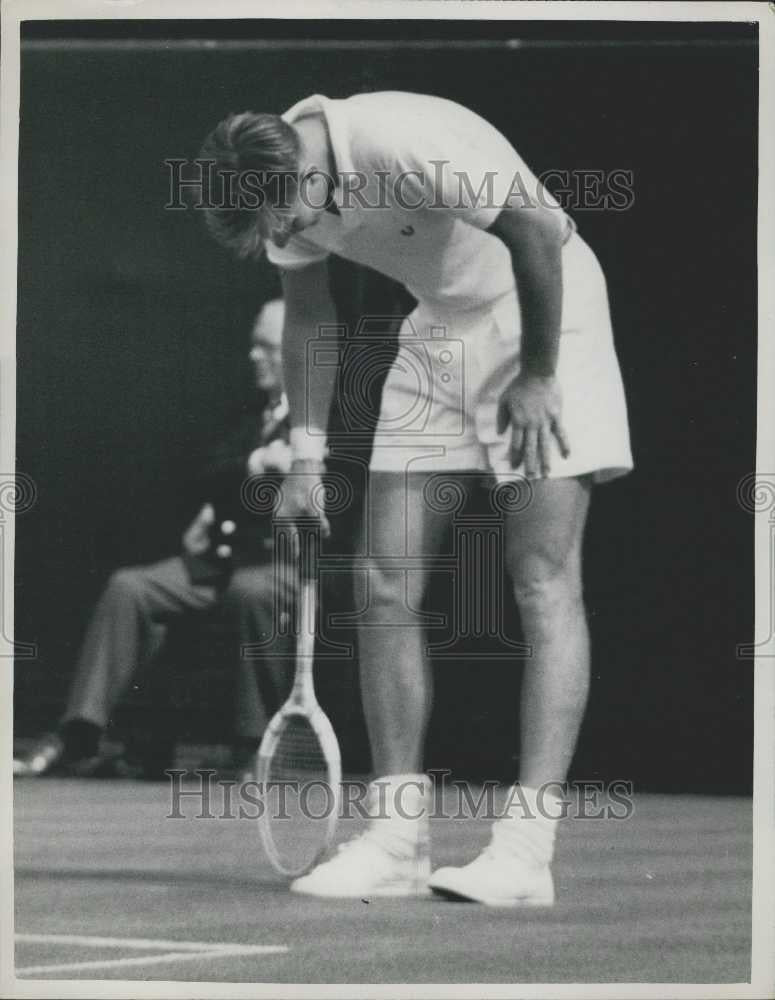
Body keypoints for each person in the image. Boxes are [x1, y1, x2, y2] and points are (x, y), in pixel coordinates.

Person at [199, 92, 633, 905]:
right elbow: (307, 316)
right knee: (382, 579)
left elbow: (536, 232)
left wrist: (538, 375)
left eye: (282, 215)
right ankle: (398, 837)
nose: (285, 235)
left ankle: (525, 851)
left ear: (298, 164)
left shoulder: (405, 142)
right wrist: (305, 457)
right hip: (438, 331)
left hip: (544, 314)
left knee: (540, 578)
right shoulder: (281, 189)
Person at [14, 300, 294, 780]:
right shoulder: (251, 415)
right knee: (131, 588)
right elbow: (209, 472)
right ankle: (79, 732)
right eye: (253, 344)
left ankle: (256, 749)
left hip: (292, 564)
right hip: (226, 558)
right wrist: (247, 473)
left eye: (267, 347)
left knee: (254, 593)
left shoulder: (325, 422)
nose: (254, 356)